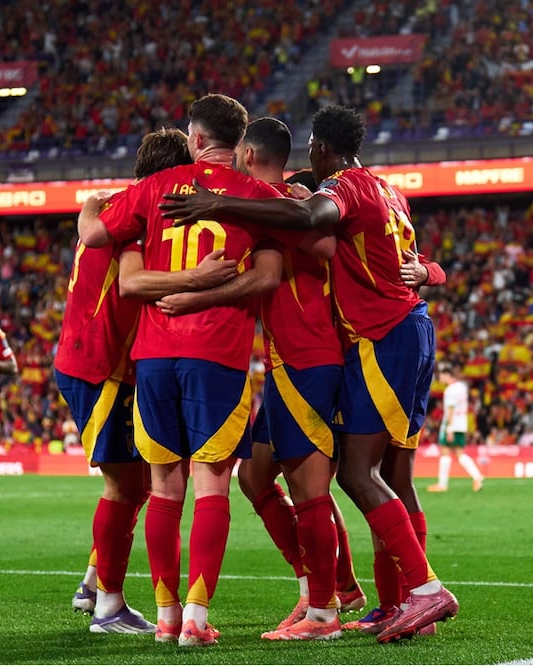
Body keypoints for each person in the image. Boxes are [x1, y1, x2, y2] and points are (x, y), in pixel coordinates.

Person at [160, 104, 459, 643]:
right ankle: (355, 593)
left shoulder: (306, 201)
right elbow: (391, 249)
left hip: (328, 351)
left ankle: (346, 604)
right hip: (349, 344)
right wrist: (430, 270)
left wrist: (212, 224)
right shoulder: (354, 190)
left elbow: (314, 233)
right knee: (259, 474)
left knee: (342, 478)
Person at [79, 93, 286, 647]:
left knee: (163, 488)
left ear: (194, 138)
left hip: (152, 356)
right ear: (239, 145)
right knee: (211, 484)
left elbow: (96, 235)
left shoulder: (152, 189)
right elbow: (270, 273)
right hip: (217, 354)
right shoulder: (258, 194)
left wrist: (94, 202)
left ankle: (165, 617)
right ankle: (195, 618)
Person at [63, 128, 236, 634]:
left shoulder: (116, 207)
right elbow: (131, 283)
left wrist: (89, 203)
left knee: (140, 484)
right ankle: (107, 605)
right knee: (126, 485)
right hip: (102, 365)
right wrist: (197, 281)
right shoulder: (141, 219)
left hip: (97, 359)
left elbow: (91, 223)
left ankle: (95, 582)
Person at [428, 363, 484, 492]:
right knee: (459, 453)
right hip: (461, 424)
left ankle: (442, 484)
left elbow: (451, 409)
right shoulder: (462, 387)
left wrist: (449, 428)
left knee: (445, 451)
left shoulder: (450, 390)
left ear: (447, 375)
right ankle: (477, 476)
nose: (440, 378)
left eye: (441, 375)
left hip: (452, 425)